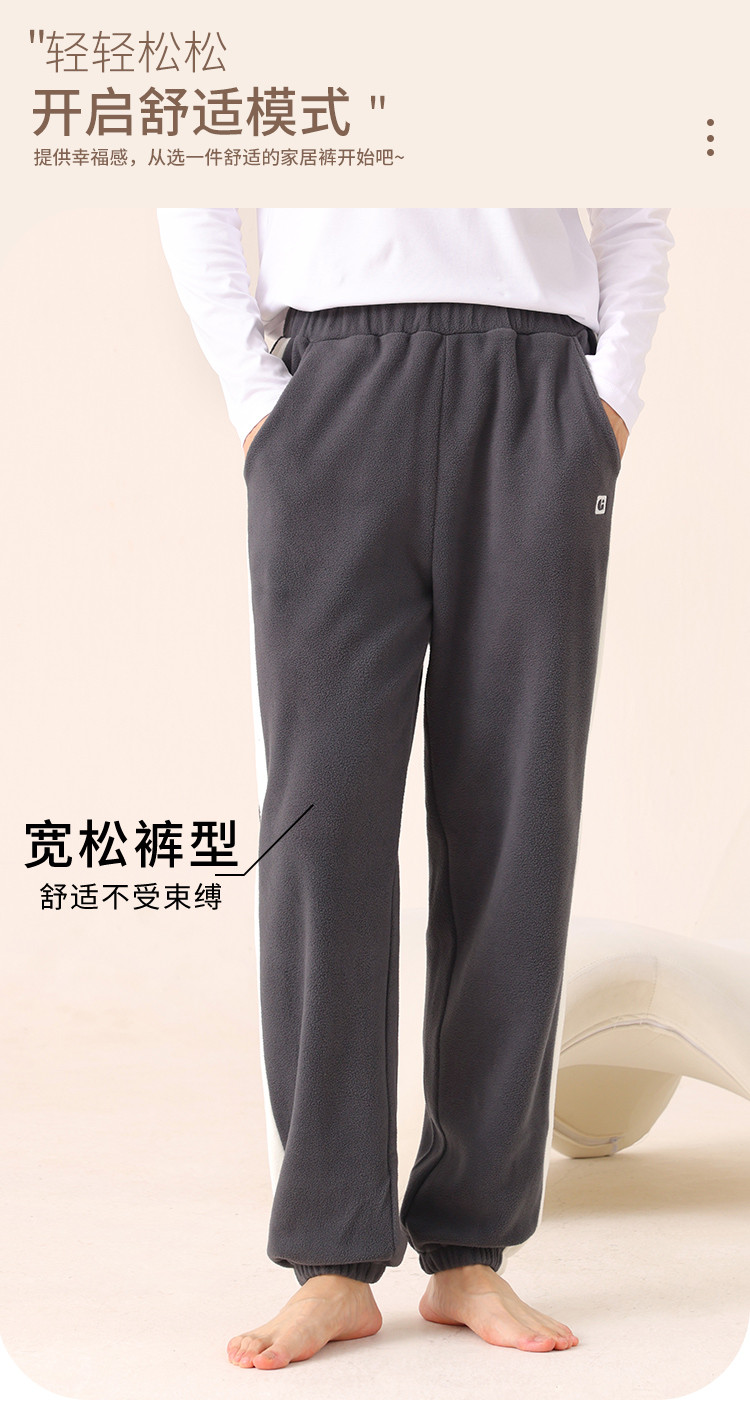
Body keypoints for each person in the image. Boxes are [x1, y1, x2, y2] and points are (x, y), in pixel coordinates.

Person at [156, 207, 673, 1369]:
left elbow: (639, 207)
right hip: (333, 383)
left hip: (540, 389)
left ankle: (472, 1244)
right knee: (319, 830)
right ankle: (331, 1257)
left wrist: (608, 401)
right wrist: (258, 399)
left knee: (517, 825)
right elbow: (188, 185)